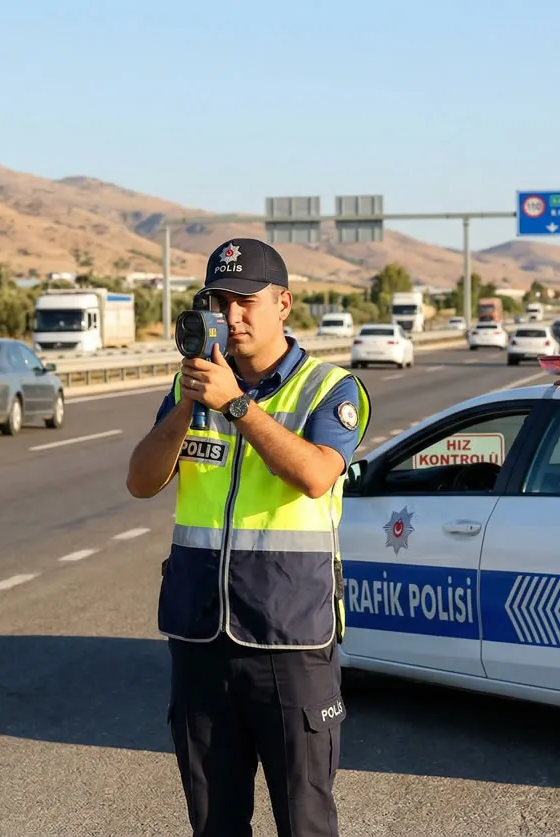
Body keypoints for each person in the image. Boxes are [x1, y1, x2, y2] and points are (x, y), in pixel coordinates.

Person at [125, 237, 371, 837]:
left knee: (305, 822)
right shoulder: (194, 389)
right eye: (218, 301)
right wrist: (188, 404)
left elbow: (314, 474)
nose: (230, 316)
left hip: (289, 639)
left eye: (244, 301)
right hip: (201, 634)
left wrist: (237, 406)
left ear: (283, 303)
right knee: (214, 824)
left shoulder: (331, 388)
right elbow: (141, 481)